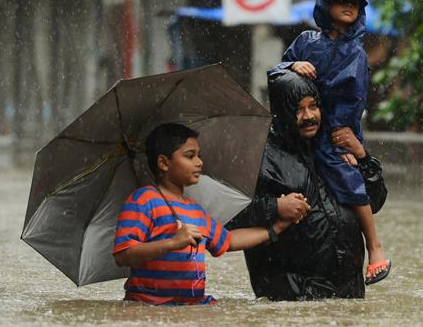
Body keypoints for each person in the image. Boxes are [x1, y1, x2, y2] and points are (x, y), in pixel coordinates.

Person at [270, 0, 391, 285]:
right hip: (295, 283)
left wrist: (359, 155)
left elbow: (374, 195)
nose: (348, 6)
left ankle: (375, 247)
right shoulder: (273, 161)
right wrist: (293, 67)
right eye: (340, 1)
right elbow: (278, 71)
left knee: (349, 179)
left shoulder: (356, 54)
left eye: (354, 2)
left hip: (340, 133)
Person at [227, 71, 387, 300]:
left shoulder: (332, 148)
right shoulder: (260, 155)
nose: (309, 116)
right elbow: (230, 218)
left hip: (347, 294)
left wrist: (362, 158)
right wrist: (275, 207)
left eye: (313, 106)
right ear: (282, 112)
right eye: (298, 109)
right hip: (289, 298)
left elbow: (375, 202)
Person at [112, 123, 306, 305]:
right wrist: (172, 242)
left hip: (193, 306)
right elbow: (123, 254)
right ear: (163, 162)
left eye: (199, 155)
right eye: (190, 156)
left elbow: (228, 240)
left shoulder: (195, 209)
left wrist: (276, 228)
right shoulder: (144, 200)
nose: (199, 162)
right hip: (149, 305)